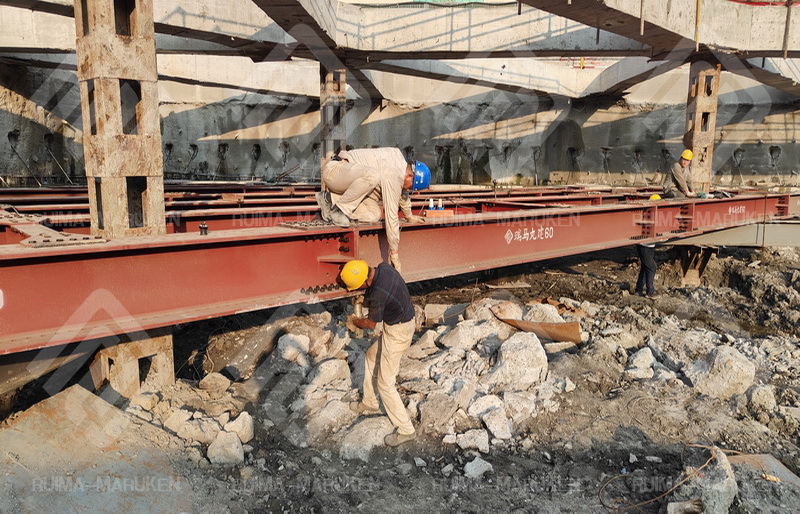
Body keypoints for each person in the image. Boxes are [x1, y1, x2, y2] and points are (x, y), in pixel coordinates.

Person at [339, 259, 417, 447]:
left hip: (398, 333)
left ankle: (406, 429)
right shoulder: (383, 268)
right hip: (400, 323)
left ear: (365, 281)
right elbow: (377, 295)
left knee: (385, 383)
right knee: (371, 355)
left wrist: (354, 321)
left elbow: (371, 324)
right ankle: (370, 402)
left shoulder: (378, 295)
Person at [317, 147, 430, 272]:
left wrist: (409, 216)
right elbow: (391, 216)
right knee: (373, 175)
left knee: (374, 214)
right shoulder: (394, 174)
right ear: (409, 175)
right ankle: (339, 210)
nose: (408, 190)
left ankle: (330, 200)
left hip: (347, 183)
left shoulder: (399, 166)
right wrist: (394, 254)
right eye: (411, 187)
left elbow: (402, 195)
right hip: (335, 172)